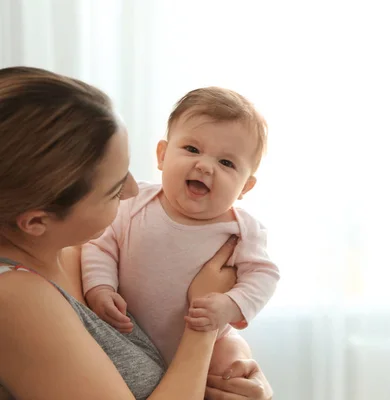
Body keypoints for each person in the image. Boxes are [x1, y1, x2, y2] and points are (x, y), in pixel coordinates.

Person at [0, 66, 273, 399]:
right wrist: (202, 327)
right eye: (114, 188)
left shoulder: (69, 250)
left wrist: (239, 379)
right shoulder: (16, 298)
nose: (133, 191)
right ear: (35, 222)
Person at [81, 87, 280, 375]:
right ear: (162, 155)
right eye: (192, 149)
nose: (204, 166)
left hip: (208, 346)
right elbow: (101, 245)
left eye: (226, 163)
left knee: (232, 370)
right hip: (130, 336)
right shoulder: (135, 203)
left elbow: (264, 276)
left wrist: (229, 305)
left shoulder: (241, 229)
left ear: (245, 187)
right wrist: (100, 287)